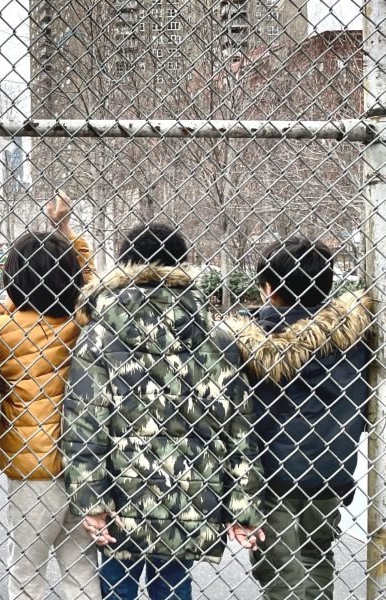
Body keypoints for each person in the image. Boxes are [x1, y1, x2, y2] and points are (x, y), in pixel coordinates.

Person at [60, 223, 264, 600]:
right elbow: (238, 427)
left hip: (123, 494)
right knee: (173, 587)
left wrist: (91, 499)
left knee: (116, 587)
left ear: (124, 265)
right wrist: (242, 505)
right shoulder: (216, 336)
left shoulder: (101, 331)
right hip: (190, 494)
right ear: (182, 264)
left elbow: (85, 419)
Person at [221, 238, 371, 600]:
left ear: (268, 289)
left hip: (272, 475)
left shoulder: (247, 340)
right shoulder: (355, 336)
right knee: (317, 555)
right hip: (331, 471)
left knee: (279, 571)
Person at [0, 193, 101, 600]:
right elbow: (93, 282)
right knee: (80, 567)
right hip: (84, 460)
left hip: (32, 465)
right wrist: (67, 231)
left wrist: (15, 298)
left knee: (27, 569)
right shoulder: (85, 323)